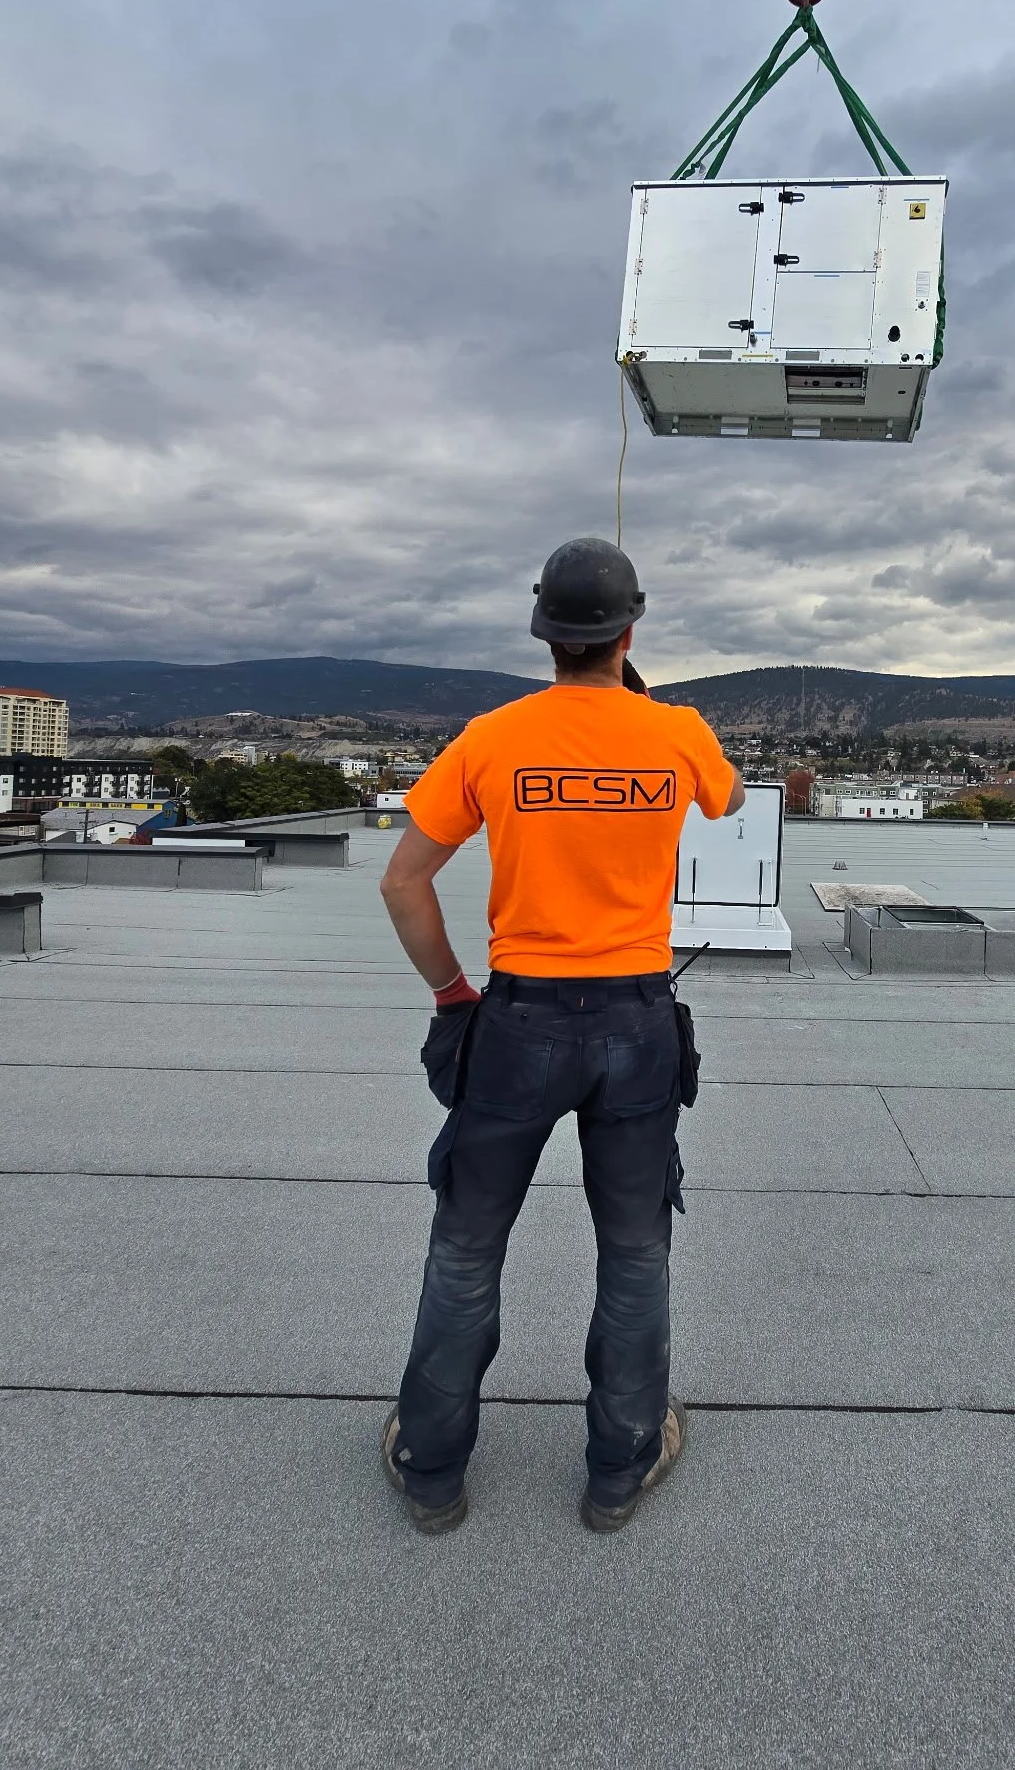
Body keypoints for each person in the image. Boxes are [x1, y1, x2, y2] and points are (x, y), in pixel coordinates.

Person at [377, 538, 744, 1534]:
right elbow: (732, 796)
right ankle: (618, 1467)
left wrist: (456, 996)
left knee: (466, 1246)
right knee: (633, 1249)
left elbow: (404, 880)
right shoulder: (678, 733)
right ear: (628, 631)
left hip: (519, 1018)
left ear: (543, 632)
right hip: (635, 1023)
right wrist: (642, 705)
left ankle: (434, 1466)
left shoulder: (492, 738)